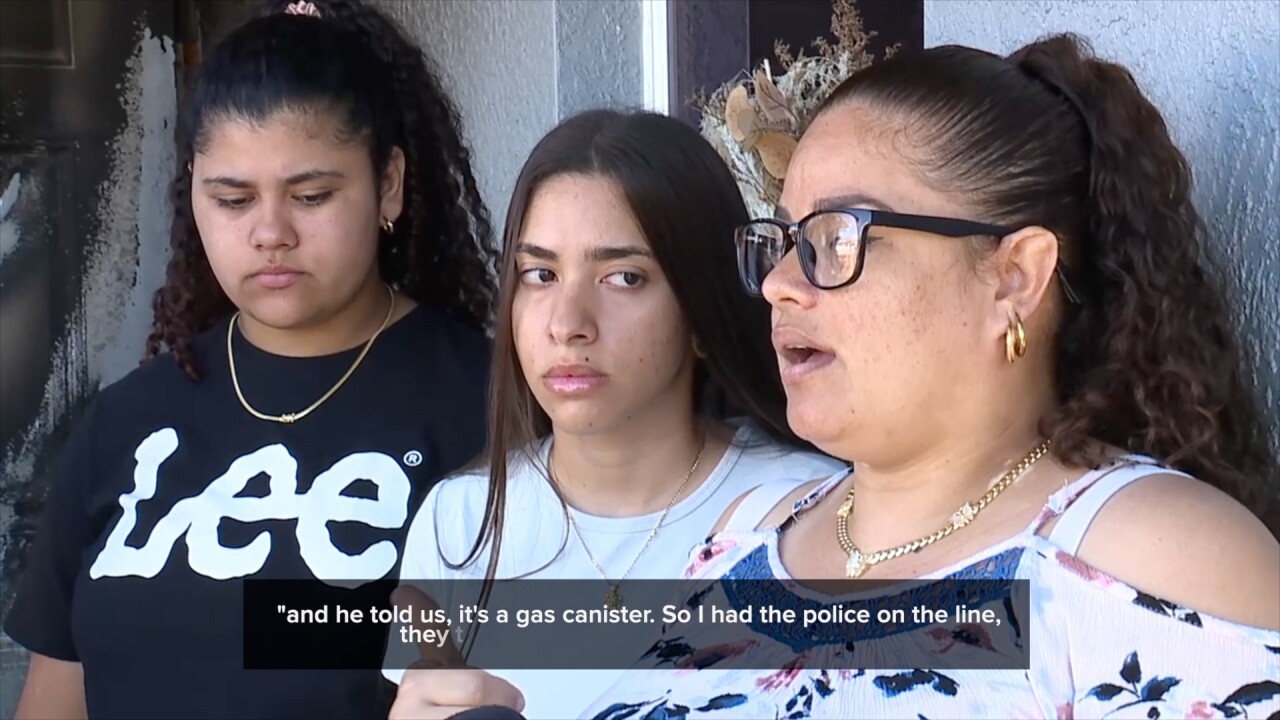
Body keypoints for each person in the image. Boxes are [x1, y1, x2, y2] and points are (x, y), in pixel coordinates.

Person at [573, 33, 1280, 720]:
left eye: (836, 238)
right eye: (785, 240)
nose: (780, 284)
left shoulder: (1145, 556)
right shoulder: (747, 535)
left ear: (1013, 277)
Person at [4, 0, 497, 718]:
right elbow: (53, 702)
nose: (271, 232)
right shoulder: (126, 422)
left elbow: (582, 659)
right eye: (232, 199)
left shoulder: (488, 406)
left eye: (312, 195)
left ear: (387, 184)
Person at [383, 109, 847, 720]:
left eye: (624, 277)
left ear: (701, 310)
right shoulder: (458, 524)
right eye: (540, 274)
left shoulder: (808, 515)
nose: (567, 323)